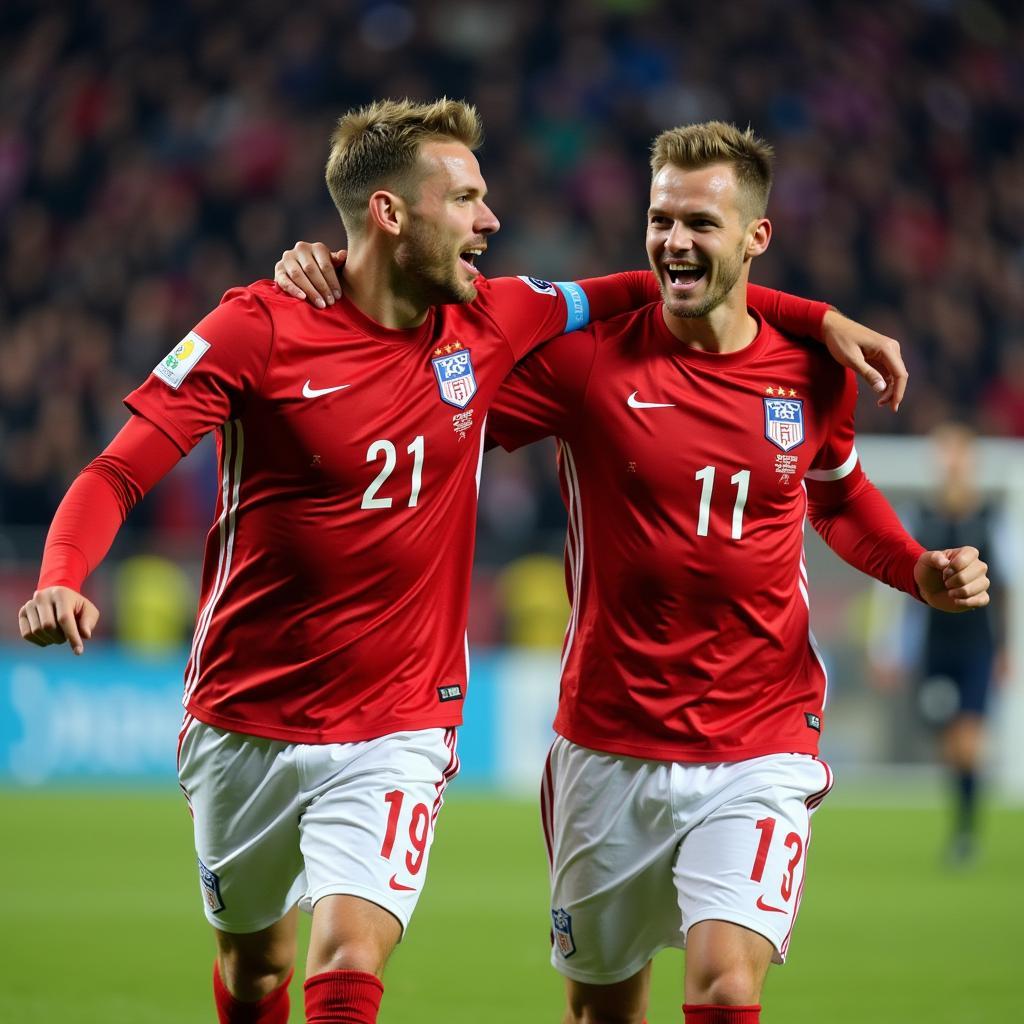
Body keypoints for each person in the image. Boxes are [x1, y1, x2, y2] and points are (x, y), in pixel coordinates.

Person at [19, 99, 903, 1024]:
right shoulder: (258, 329)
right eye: (467, 200)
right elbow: (118, 471)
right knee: (255, 968)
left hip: (400, 719)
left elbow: (668, 285)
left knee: (348, 962)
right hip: (246, 708)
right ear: (390, 215)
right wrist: (61, 575)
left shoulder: (495, 318)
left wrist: (814, 313)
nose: (490, 221)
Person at [280, 121, 991, 1024]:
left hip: (760, 738)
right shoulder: (583, 361)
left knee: (728, 988)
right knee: (601, 1007)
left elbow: (838, 494)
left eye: (700, 223)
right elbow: (436, 345)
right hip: (609, 741)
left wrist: (916, 569)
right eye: (660, 220)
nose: (674, 242)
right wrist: (338, 271)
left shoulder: (813, 369)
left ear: (754, 238)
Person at [872, 422, 1003, 865]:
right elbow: (893, 588)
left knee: (968, 741)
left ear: (971, 460)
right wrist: (890, 649)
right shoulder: (919, 517)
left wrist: (1009, 647)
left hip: (977, 646)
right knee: (949, 743)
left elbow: (1010, 588)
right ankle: (962, 828)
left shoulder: (992, 518)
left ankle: (966, 834)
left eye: (958, 453)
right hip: (934, 645)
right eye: (943, 452)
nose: (951, 462)